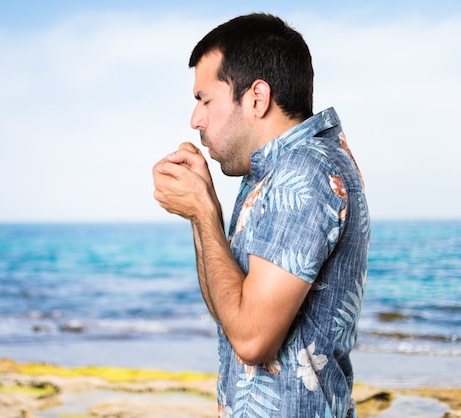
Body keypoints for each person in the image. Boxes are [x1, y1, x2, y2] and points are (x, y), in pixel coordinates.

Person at [152, 13, 370, 417]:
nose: (195, 119)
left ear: (256, 98)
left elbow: (252, 341)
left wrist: (202, 214)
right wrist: (208, 209)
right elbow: (230, 312)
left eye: (205, 99)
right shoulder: (267, 175)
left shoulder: (305, 173)